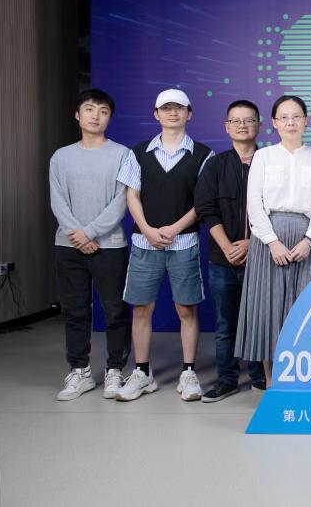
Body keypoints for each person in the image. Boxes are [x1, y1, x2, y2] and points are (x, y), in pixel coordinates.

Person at [114, 89, 213, 402]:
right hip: (145, 243)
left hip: (184, 242)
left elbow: (202, 201)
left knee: (186, 308)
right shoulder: (138, 152)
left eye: (179, 108)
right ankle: (142, 373)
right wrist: (146, 229)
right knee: (142, 308)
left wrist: (174, 228)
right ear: (155, 114)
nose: (173, 113)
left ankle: (188, 373)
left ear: (189, 113)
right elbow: (132, 195)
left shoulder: (203, 154)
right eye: (166, 108)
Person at [235, 95, 311, 388]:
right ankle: (272, 382)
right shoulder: (264, 156)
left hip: (305, 240)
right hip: (268, 240)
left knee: (302, 311)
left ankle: (298, 382)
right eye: (284, 117)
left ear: (306, 120)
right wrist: (272, 241)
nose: (290, 122)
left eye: (296, 116)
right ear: (274, 123)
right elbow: (254, 203)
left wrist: (309, 239)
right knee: (269, 310)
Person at [49, 89, 132, 401]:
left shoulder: (123, 154)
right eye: (89, 109)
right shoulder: (61, 157)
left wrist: (90, 232)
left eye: (103, 111)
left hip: (109, 246)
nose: (95, 116)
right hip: (68, 245)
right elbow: (57, 199)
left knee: (115, 310)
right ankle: (79, 370)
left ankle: (114, 369)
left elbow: (122, 200)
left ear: (110, 118)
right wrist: (78, 234)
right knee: (74, 310)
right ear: (77, 114)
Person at [193, 100, 267, 401]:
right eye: (236, 121)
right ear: (227, 127)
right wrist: (227, 246)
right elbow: (206, 208)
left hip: (260, 257)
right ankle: (227, 379)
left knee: (260, 320)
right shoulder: (215, 165)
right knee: (225, 324)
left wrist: (253, 244)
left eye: (248, 120)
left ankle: (262, 376)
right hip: (222, 259)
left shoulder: (270, 161)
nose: (242, 125)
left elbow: (275, 209)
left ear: (259, 124)